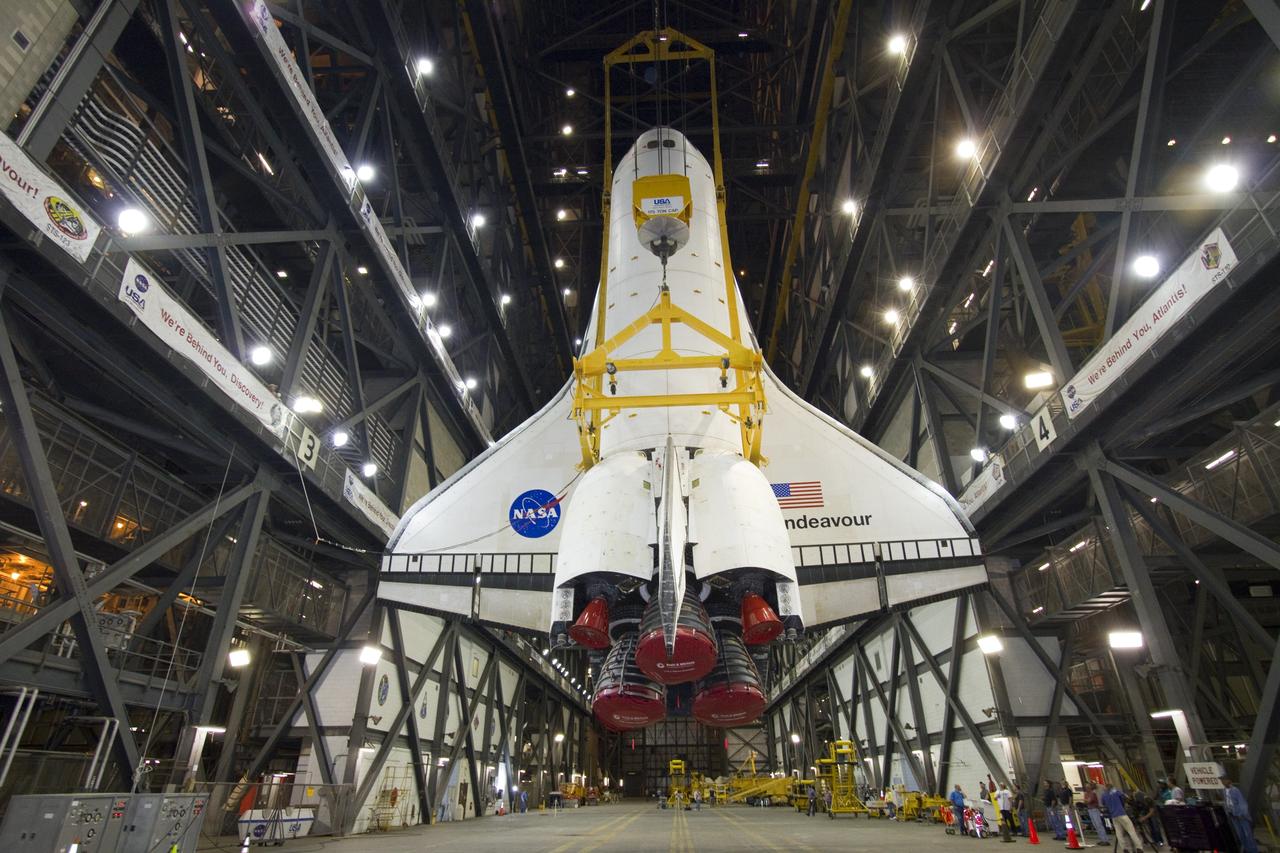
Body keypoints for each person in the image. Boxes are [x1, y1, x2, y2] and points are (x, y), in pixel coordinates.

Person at [1221, 775, 1258, 853]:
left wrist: (1242, 814)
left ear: (1229, 780)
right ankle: (1247, 850)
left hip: (1240, 815)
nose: (1222, 782)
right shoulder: (1224, 790)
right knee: (1240, 835)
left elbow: (1242, 803)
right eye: (1222, 780)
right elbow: (1226, 802)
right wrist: (1227, 811)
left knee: (1248, 835)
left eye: (1224, 780)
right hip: (1232, 815)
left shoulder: (1235, 790)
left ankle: (1253, 851)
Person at [1101, 785, 1143, 852]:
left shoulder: (1104, 795)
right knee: (1131, 831)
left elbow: (1103, 804)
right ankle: (1139, 848)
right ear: (1112, 787)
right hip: (1122, 814)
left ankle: (1124, 849)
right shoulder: (1117, 791)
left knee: (1119, 833)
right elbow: (1125, 798)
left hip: (1114, 816)